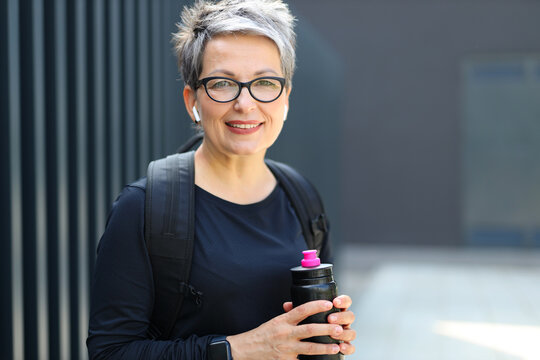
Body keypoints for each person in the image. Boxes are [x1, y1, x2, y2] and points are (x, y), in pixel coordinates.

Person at [87, 0, 356, 359]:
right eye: (223, 83)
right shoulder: (144, 208)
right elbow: (111, 352)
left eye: (264, 82)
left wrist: (328, 332)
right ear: (192, 100)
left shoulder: (301, 196)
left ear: (285, 99)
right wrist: (240, 349)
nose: (246, 104)